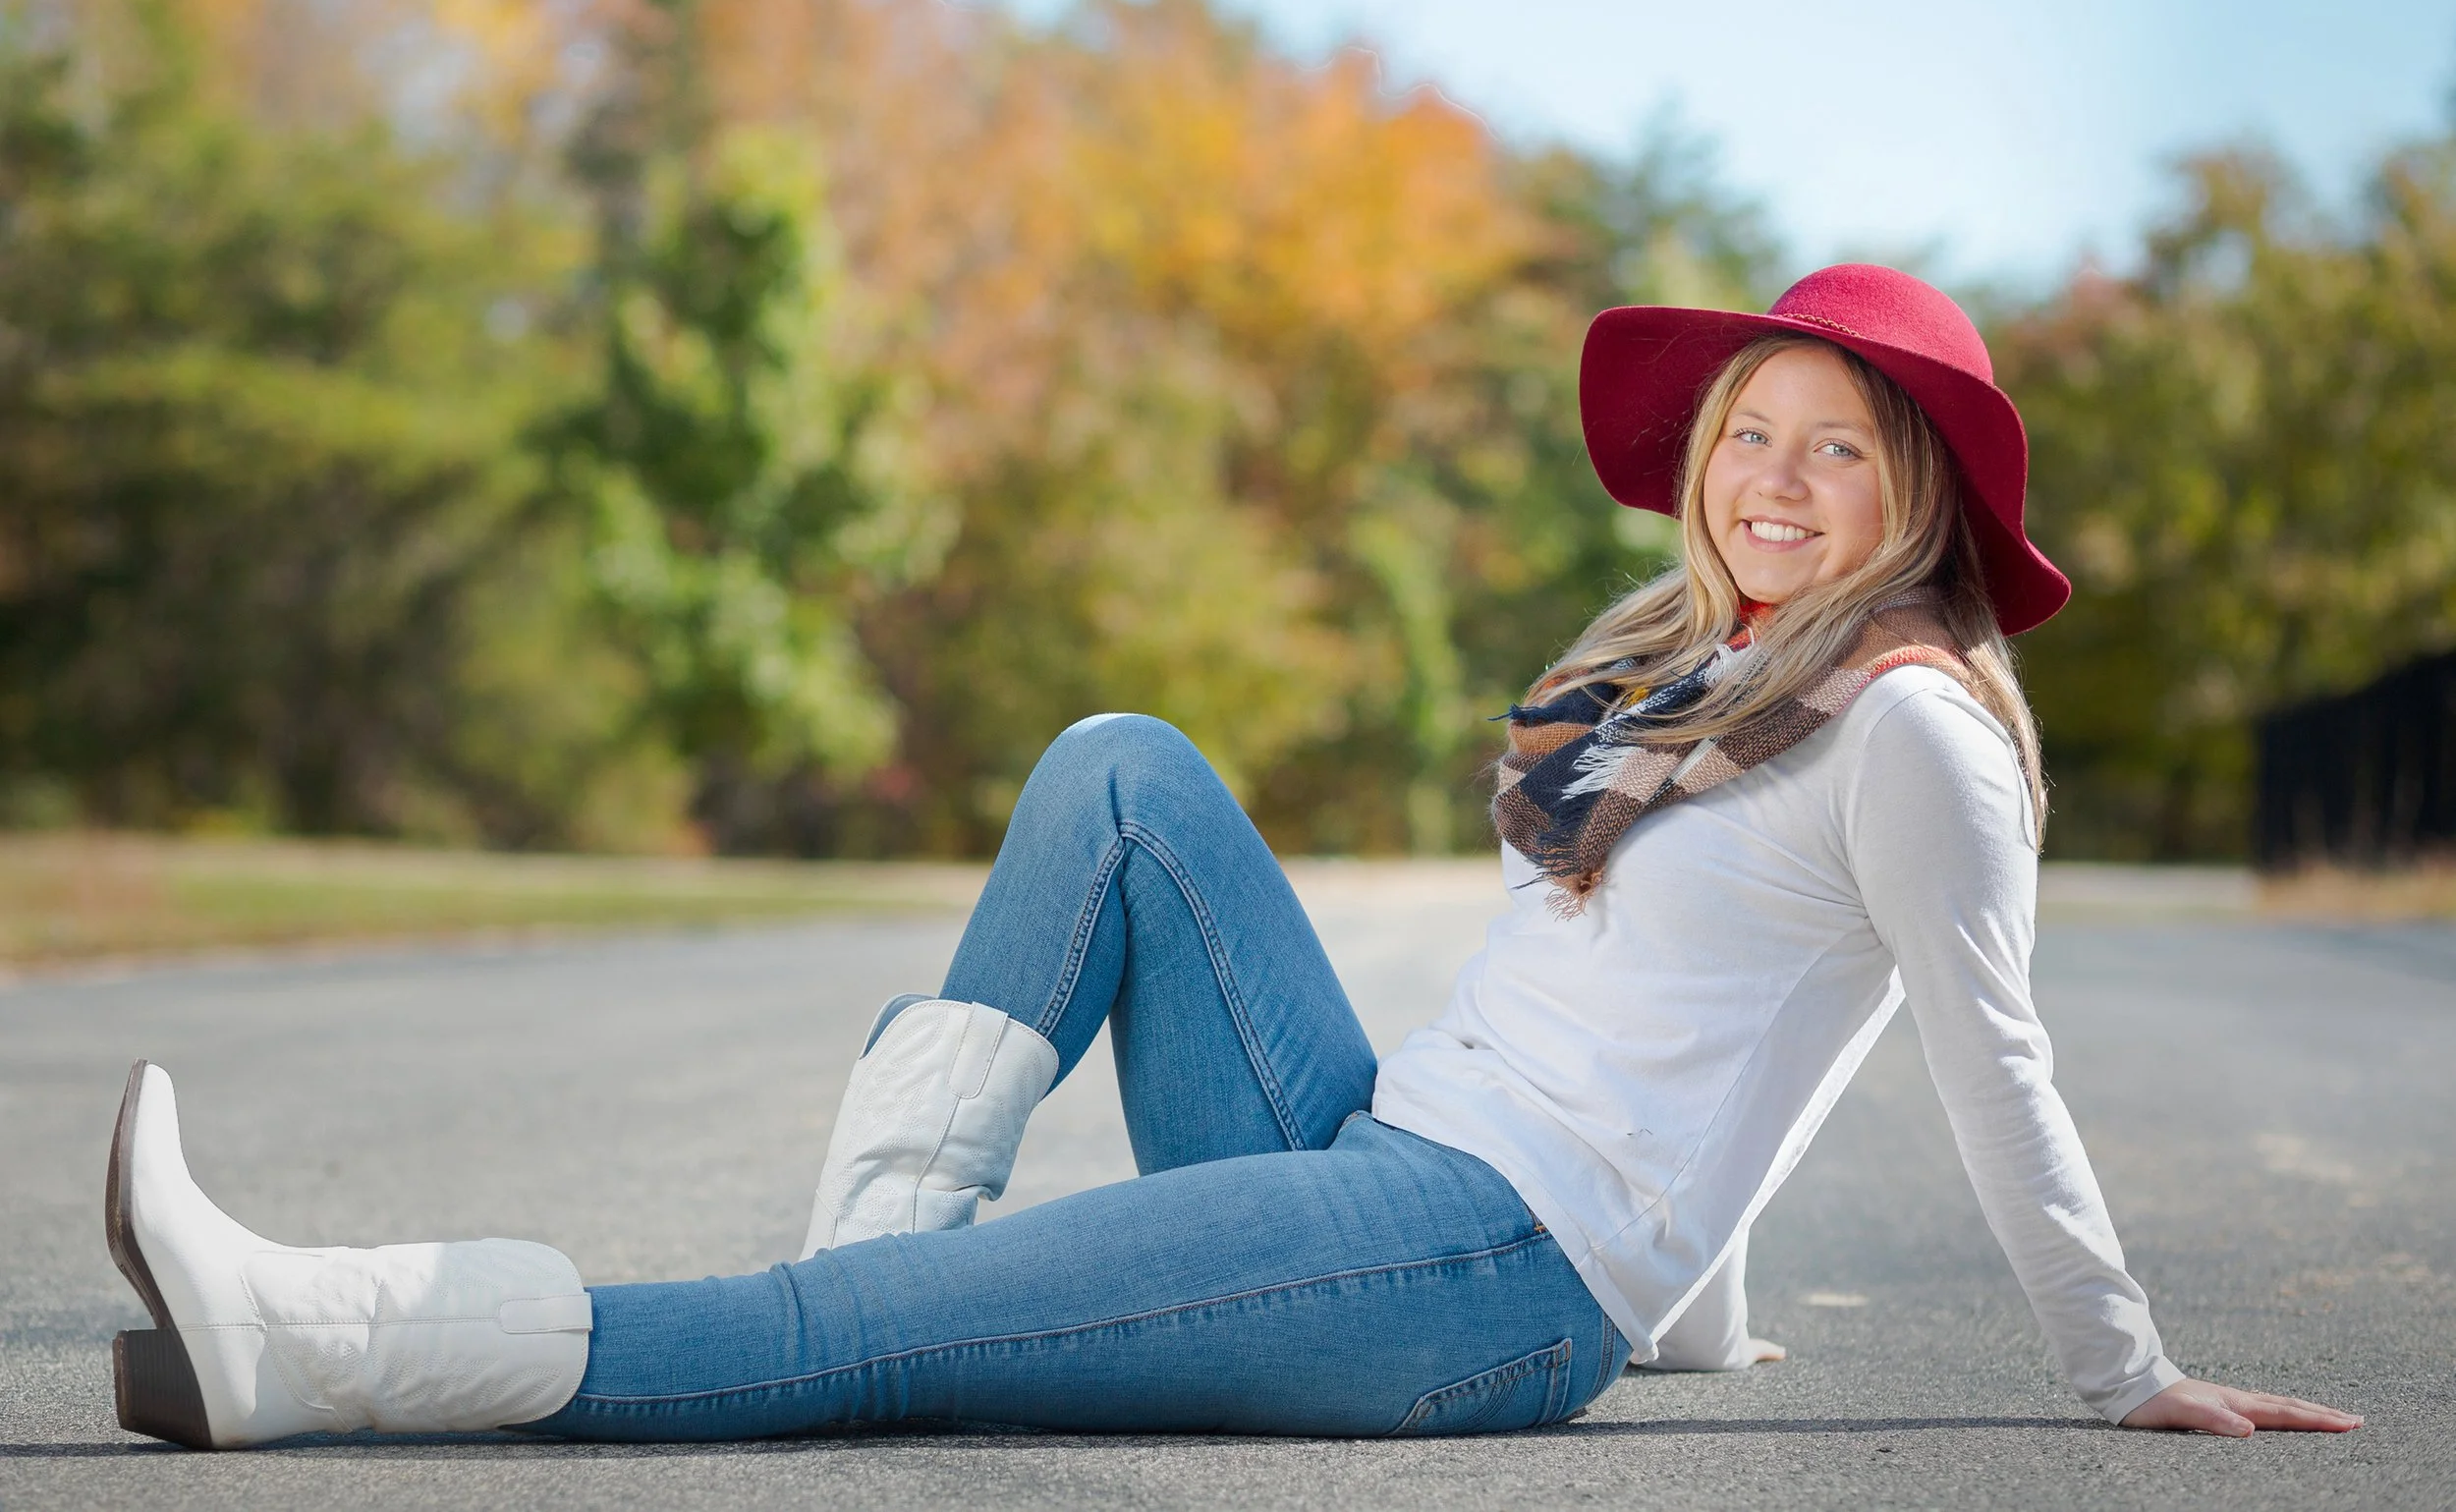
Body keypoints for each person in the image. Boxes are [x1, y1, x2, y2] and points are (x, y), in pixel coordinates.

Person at [102, 264, 2362, 1449]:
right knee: (1120, 762)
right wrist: (1704, 1307)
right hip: (1387, 1147)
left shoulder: (1909, 736)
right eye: (1744, 433)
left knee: (840, 1334)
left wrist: (2115, 1363)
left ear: (1917, 500)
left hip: (1473, 1271)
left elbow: (1977, 1048)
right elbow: (1687, 1016)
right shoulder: (1695, 674)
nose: (1769, 477)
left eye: (1830, 452)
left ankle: (314, 1334)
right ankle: (863, 1283)